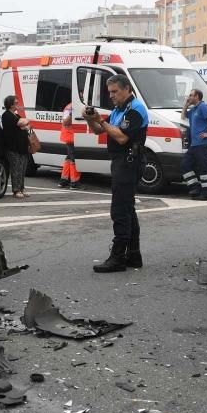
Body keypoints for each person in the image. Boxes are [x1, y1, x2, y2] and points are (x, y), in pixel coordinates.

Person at [81, 75, 148, 272]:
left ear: (126, 89)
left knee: (119, 210)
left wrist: (100, 120)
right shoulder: (119, 110)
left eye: (114, 92)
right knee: (128, 209)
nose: (111, 96)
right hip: (122, 162)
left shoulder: (135, 109)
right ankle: (133, 254)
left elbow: (120, 137)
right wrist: (90, 119)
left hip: (129, 161)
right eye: (109, 92)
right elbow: (98, 131)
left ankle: (118, 257)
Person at [182, 88, 207, 200]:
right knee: (185, 165)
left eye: (191, 95)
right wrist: (186, 104)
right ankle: (195, 187)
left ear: (197, 97)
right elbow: (183, 116)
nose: (189, 97)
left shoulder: (202, 107)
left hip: (202, 144)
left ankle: (206, 194)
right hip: (194, 144)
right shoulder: (194, 109)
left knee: (204, 168)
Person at [1, 95, 31, 199]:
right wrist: (24, 123)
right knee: (16, 169)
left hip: (22, 147)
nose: (18, 104)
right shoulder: (6, 115)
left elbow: (27, 126)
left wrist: (24, 125)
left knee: (22, 169)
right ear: (11, 104)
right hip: (13, 147)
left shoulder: (16, 115)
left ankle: (22, 188)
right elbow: (22, 123)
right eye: (16, 102)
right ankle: (16, 190)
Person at [58, 102, 82, 189]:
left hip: (70, 135)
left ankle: (63, 181)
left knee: (69, 158)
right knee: (73, 158)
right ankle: (74, 182)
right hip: (70, 136)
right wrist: (73, 114)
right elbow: (65, 122)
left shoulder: (71, 106)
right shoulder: (70, 107)